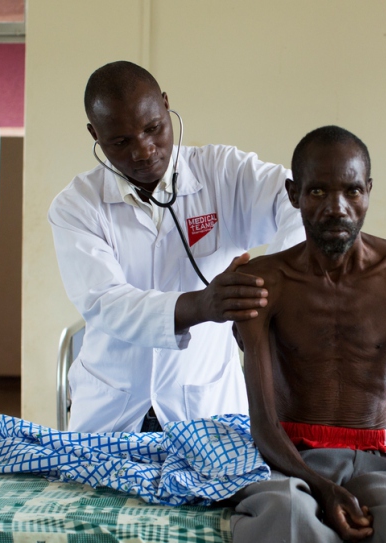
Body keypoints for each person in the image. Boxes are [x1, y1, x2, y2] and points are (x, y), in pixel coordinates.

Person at [232, 126, 386, 543]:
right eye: (317, 193)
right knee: (289, 518)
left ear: (368, 191)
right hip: (290, 459)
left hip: (377, 459)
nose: (337, 208)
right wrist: (324, 488)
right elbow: (262, 423)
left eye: (351, 191)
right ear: (294, 195)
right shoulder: (262, 281)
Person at [49, 61, 304, 433]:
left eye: (153, 129)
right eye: (120, 142)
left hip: (206, 408)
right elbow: (106, 303)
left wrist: (270, 279)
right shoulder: (77, 205)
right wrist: (203, 305)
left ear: (166, 105)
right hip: (112, 413)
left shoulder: (222, 173)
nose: (143, 151)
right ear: (95, 134)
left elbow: (301, 200)